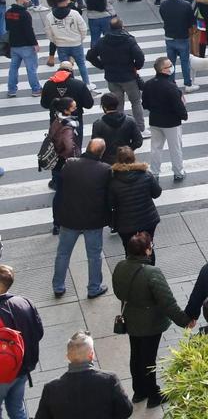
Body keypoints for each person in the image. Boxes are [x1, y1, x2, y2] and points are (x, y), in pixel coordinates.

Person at [111, 232, 193, 407]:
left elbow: (118, 292)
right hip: (151, 323)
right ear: (147, 251)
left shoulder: (120, 266)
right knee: (149, 358)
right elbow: (168, 302)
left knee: (136, 354)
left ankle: (139, 392)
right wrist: (184, 320)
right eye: (151, 247)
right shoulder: (152, 272)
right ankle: (153, 395)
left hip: (130, 319)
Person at [51, 139, 111, 299]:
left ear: (88, 148)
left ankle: (58, 286)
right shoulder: (105, 169)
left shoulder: (70, 164)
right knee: (94, 256)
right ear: (101, 152)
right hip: (93, 220)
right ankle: (93, 288)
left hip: (69, 218)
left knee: (63, 253)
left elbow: (60, 186)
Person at [33, 332, 133, 419]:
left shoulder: (51, 388)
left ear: (68, 357)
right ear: (91, 355)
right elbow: (126, 410)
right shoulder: (109, 380)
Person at [0, 264, 44, 419]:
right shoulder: (24, 302)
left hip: (1, 374)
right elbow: (39, 333)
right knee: (17, 408)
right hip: (22, 367)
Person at [140, 57, 188, 182]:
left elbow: (144, 104)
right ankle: (178, 172)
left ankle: (154, 173)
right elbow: (178, 105)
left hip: (155, 120)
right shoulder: (171, 86)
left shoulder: (148, 84)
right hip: (172, 123)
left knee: (156, 148)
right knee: (175, 148)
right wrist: (184, 115)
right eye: (170, 65)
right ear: (163, 70)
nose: (172, 67)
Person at [108, 147, 161, 260]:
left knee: (129, 249)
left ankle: (133, 272)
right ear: (133, 158)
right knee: (148, 246)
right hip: (148, 219)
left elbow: (110, 203)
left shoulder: (113, 181)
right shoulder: (146, 175)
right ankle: (149, 271)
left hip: (125, 223)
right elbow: (157, 193)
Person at [5, 0, 42, 98]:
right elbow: (28, 30)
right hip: (26, 46)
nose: (29, 1)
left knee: (13, 68)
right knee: (31, 69)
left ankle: (11, 90)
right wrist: (34, 43)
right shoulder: (25, 14)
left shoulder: (9, 12)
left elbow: (7, 28)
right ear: (21, 0)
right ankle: (36, 89)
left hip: (14, 45)